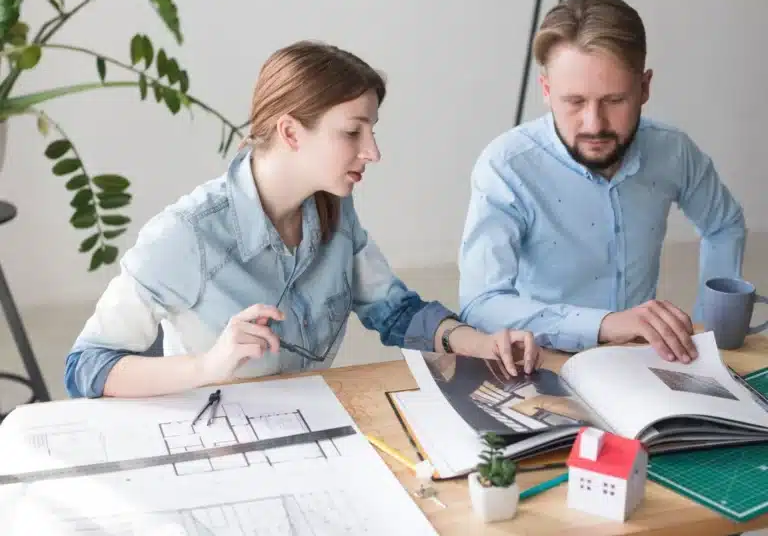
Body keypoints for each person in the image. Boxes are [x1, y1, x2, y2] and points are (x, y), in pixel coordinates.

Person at [64, 40, 542, 400]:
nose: (372, 152)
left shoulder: (335, 210)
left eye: (372, 130)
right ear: (291, 131)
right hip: (211, 445)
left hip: (310, 427)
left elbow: (393, 310)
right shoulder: (186, 235)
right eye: (353, 131)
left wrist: (476, 342)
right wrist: (208, 365)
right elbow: (87, 366)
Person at [458, 0, 745, 364]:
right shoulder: (506, 166)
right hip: (542, 361)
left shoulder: (673, 151)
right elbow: (480, 303)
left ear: (644, 88)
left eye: (614, 100)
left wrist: (711, 329)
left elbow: (724, 224)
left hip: (643, 361)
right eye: (574, 101)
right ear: (546, 91)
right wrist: (606, 324)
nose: (594, 124)